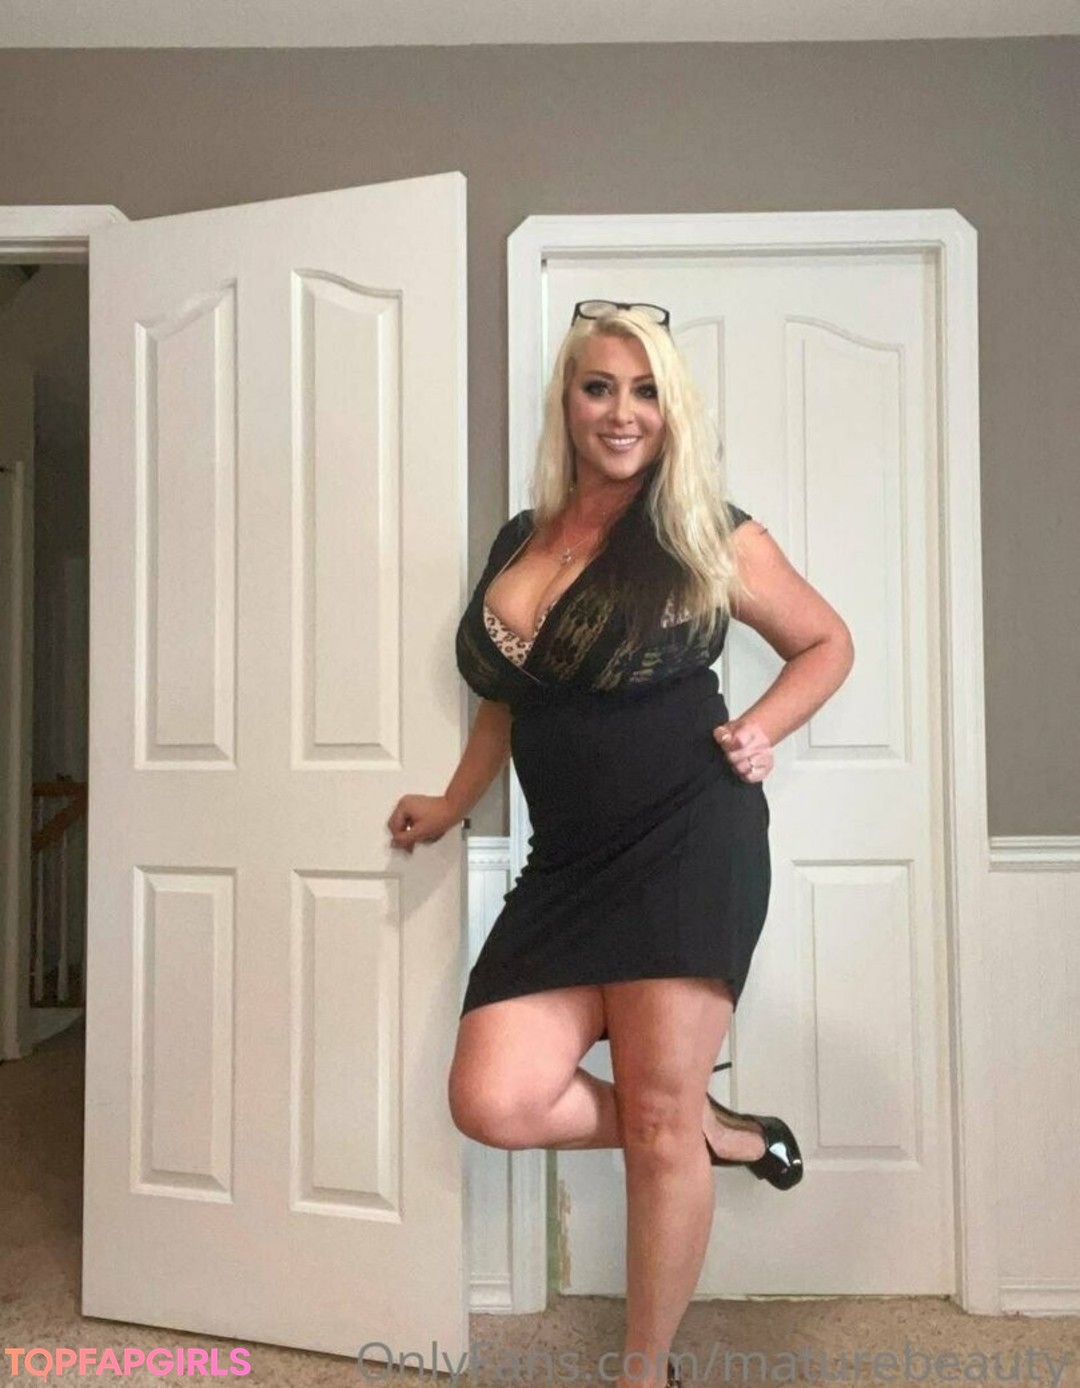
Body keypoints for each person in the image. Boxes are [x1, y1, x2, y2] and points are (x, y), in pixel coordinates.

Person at [387, 300, 854, 1388]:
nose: (622, 411)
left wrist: (761, 727)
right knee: (493, 1097)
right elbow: (505, 698)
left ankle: (644, 1373)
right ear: (568, 400)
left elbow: (827, 641)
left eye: (646, 391)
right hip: (567, 861)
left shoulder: (704, 530)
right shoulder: (520, 536)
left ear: (671, 409)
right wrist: (455, 801)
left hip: (688, 838)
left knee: (653, 1122)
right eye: (599, 386)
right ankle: (710, 1126)